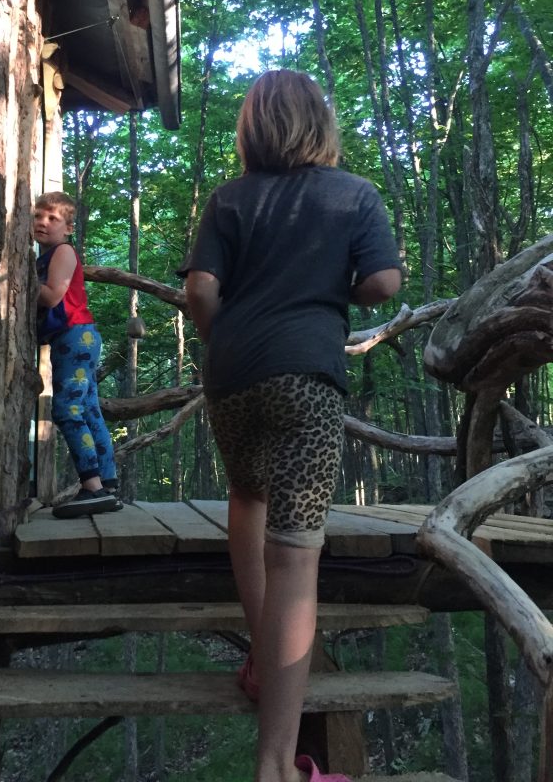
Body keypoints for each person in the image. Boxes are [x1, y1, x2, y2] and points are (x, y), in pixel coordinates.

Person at [180, 70, 401, 782]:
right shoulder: (354, 195)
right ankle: (278, 764)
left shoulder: (229, 199)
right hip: (305, 380)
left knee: (248, 499)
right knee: (297, 556)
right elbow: (384, 283)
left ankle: (258, 659)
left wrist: (228, 342)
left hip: (232, 377)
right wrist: (338, 282)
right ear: (321, 124)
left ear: (252, 129)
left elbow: (199, 290)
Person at [34, 191, 122, 518]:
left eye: (52, 218)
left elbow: (53, 296)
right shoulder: (52, 252)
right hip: (79, 336)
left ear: (68, 227)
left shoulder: (63, 251)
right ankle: (108, 484)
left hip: (76, 334)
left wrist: (18, 274)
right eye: (37, 216)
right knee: (88, 409)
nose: (42, 222)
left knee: (67, 409)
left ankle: (93, 487)